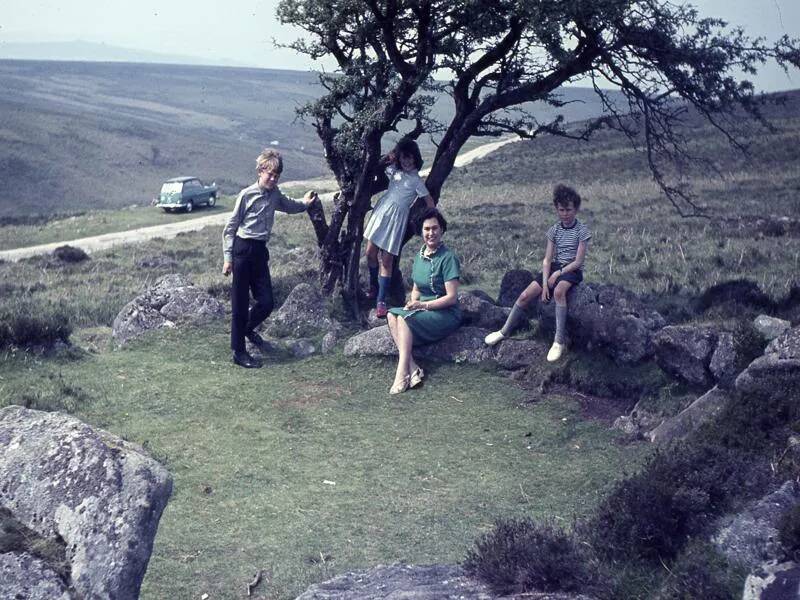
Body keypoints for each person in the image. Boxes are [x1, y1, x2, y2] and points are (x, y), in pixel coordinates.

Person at [222, 148, 316, 368]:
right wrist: (228, 258)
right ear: (260, 171)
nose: (272, 178)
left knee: (267, 302)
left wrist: (305, 203)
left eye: (276, 175)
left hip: (260, 251)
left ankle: (246, 329)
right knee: (240, 303)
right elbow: (230, 228)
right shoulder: (246, 195)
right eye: (269, 174)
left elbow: (289, 205)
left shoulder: (275, 194)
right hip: (242, 250)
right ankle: (239, 352)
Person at [484, 184, 591, 362]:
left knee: (559, 291)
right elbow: (547, 260)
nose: (565, 214)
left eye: (569, 210)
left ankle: (558, 341)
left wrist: (557, 275)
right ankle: (504, 331)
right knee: (525, 295)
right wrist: (544, 282)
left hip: (572, 270)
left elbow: (578, 261)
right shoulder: (554, 230)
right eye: (561, 210)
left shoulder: (582, 231)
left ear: (576, 209)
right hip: (555, 267)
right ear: (557, 209)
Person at [386, 208, 462, 394]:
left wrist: (422, 306)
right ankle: (413, 368)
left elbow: (451, 298)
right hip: (424, 310)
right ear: (421, 231)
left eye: (435, 228)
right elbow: (417, 288)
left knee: (404, 319)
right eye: (427, 229)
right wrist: (412, 303)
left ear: (442, 230)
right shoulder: (419, 256)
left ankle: (401, 372)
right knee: (391, 314)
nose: (431, 233)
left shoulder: (448, 258)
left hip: (445, 313)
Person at [364, 138, 435, 318]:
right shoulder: (393, 171)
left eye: (410, 158)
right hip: (381, 213)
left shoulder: (416, 180)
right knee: (370, 253)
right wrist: (390, 157)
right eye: (403, 158)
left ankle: (381, 301)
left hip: (397, 220)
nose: (407, 161)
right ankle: (373, 285)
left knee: (386, 261)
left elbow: (429, 201)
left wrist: (429, 220)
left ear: (415, 158)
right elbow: (381, 164)